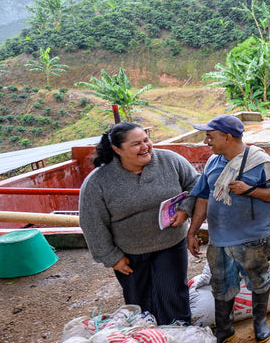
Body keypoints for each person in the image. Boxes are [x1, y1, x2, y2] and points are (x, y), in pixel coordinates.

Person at [79, 122, 198, 325]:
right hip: (130, 254)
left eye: (146, 140)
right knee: (140, 301)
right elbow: (92, 222)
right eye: (136, 144)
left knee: (173, 295)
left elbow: (195, 183)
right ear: (117, 149)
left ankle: (181, 335)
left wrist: (185, 209)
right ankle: (148, 340)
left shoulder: (170, 160)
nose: (145, 146)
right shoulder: (98, 181)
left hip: (170, 244)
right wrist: (112, 257)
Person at [186, 115, 270, 343]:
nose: (206, 141)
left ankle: (259, 322)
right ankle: (225, 329)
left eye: (210, 136)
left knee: (258, 280)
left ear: (227, 137)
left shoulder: (261, 162)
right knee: (221, 285)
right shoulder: (213, 162)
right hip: (219, 240)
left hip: (253, 238)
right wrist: (192, 232)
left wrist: (249, 190)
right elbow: (202, 197)